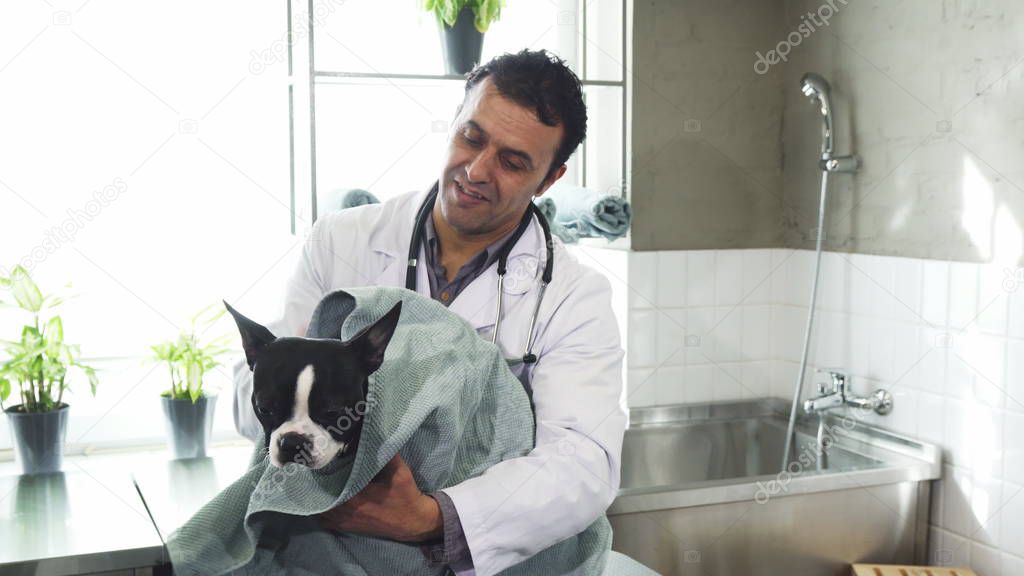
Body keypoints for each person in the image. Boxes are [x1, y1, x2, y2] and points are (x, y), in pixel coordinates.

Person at [232, 49, 626, 576]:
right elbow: (252, 389)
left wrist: (429, 518)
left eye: (512, 162)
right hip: (333, 539)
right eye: (472, 136)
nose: (478, 171)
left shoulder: (574, 297)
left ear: (550, 179)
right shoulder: (342, 241)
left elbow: (584, 463)